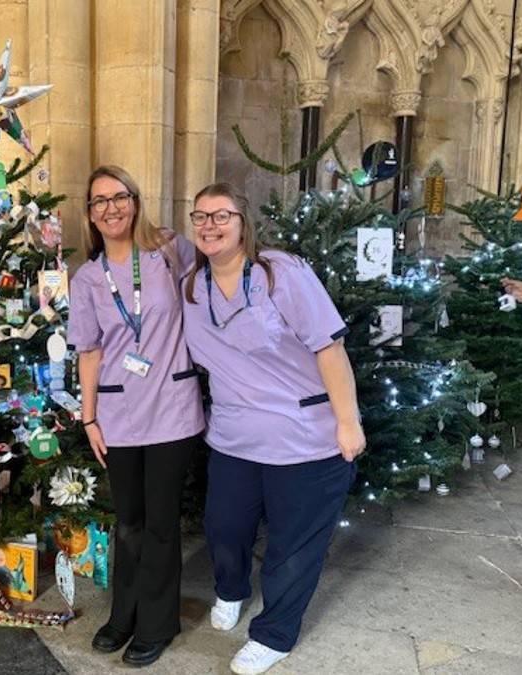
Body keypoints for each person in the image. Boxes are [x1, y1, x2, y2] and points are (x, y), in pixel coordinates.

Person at [181, 183, 365, 675]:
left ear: (244, 222)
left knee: (292, 546)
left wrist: (348, 423)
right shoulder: (192, 286)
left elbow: (329, 349)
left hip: (303, 436)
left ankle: (275, 634)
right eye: (200, 216)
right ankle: (231, 589)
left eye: (222, 215)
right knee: (224, 527)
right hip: (234, 437)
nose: (210, 225)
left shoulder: (280, 272)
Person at [68, 165, 205, 667]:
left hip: (171, 408)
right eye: (99, 201)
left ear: (135, 200)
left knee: (162, 522)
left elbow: (205, 302)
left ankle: (156, 622)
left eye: (119, 197)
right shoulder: (87, 278)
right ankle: (122, 615)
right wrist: (89, 418)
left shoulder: (171, 250)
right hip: (118, 410)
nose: (111, 208)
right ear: (90, 214)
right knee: (128, 521)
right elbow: (89, 350)